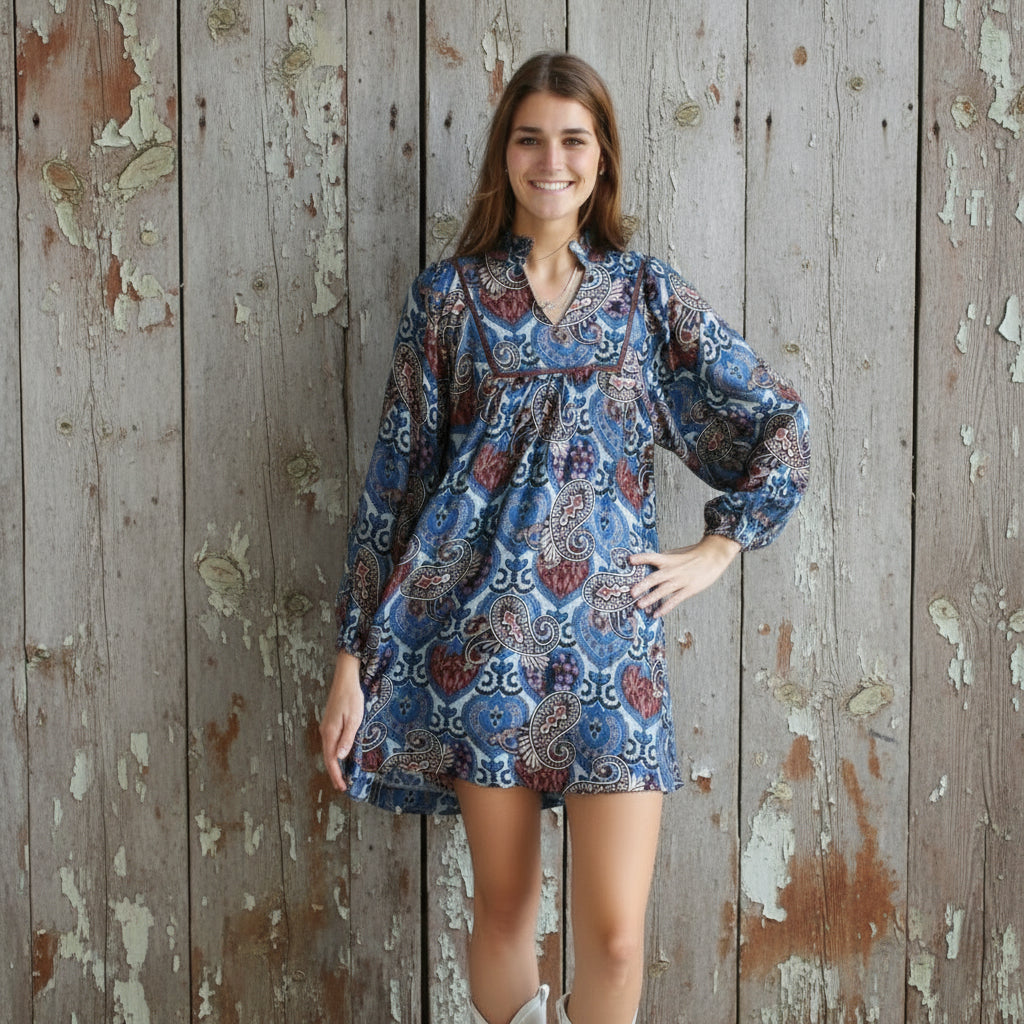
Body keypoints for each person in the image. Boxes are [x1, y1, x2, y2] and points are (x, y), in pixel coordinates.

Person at [320, 51, 809, 1024]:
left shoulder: (645, 299)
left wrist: (718, 547)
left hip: (611, 652)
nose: (552, 161)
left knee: (617, 937)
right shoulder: (446, 300)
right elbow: (394, 486)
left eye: (573, 140)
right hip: (482, 646)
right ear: (505, 155)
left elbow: (779, 429)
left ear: (602, 156)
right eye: (531, 139)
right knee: (507, 910)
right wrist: (347, 657)